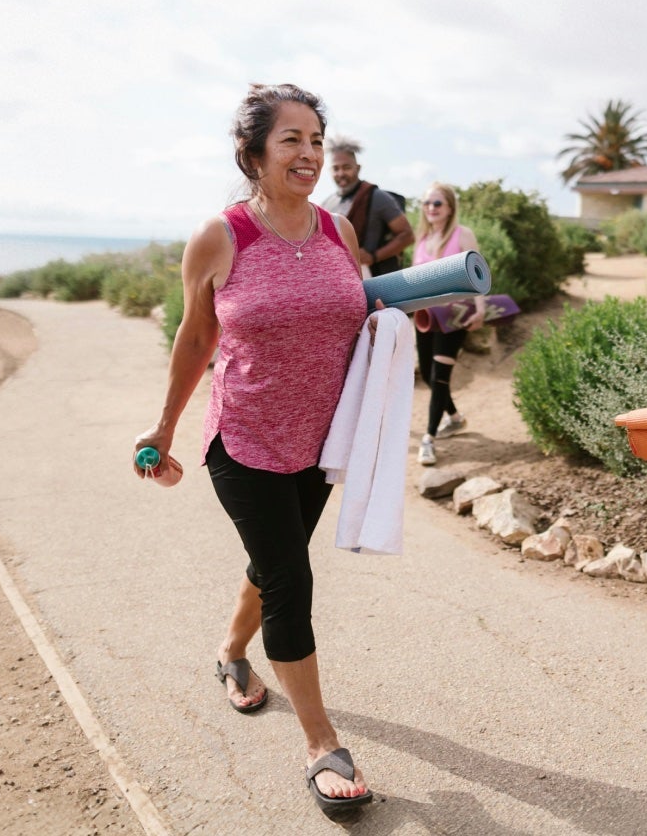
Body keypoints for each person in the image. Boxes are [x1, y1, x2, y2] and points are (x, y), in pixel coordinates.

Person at [131, 83, 381, 818]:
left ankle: (229, 653)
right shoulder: (223, 235)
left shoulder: (339, 234)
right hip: (242, 440)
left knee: (271, 565)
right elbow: (196, 338)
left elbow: (362, 313)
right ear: (253, 153)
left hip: (320, 441)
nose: (308, 154)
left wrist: (402, 328)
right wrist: (165, 426)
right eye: (291, 141)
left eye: (316, 140)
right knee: (290, 578)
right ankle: (321, 744)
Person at [409, 182, 487, 466]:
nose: (431, 208)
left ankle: (428, 440)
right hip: (426, 317)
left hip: (456, 316)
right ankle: (455, 418)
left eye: (437, 203)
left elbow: (479, 274)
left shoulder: (462, 235)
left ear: (450, 207)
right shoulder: (421, 240)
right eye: (427, 203)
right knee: (430, 375)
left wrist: (480, 310)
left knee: (440, 376)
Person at [321, 136, 414, 275]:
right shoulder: (327, 204)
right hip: (342, 278)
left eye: (346, 167)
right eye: (336, 168)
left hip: (376, 279)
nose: (341, 173)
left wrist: (373, 256)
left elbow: (407, 235)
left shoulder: (376, 197)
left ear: (357, 168)